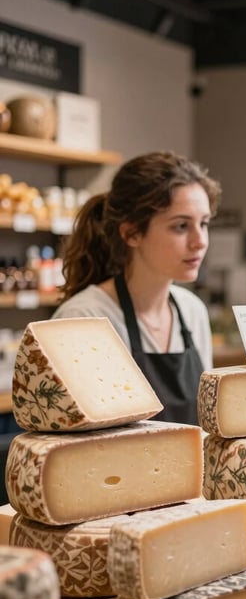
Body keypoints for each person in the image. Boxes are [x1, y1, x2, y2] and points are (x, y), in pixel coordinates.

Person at [53, 151, 222, 425]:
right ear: (131, 233)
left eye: (203, 224)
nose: (200, 241)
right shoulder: (85, 318)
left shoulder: (193, 312)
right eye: (181, 226)